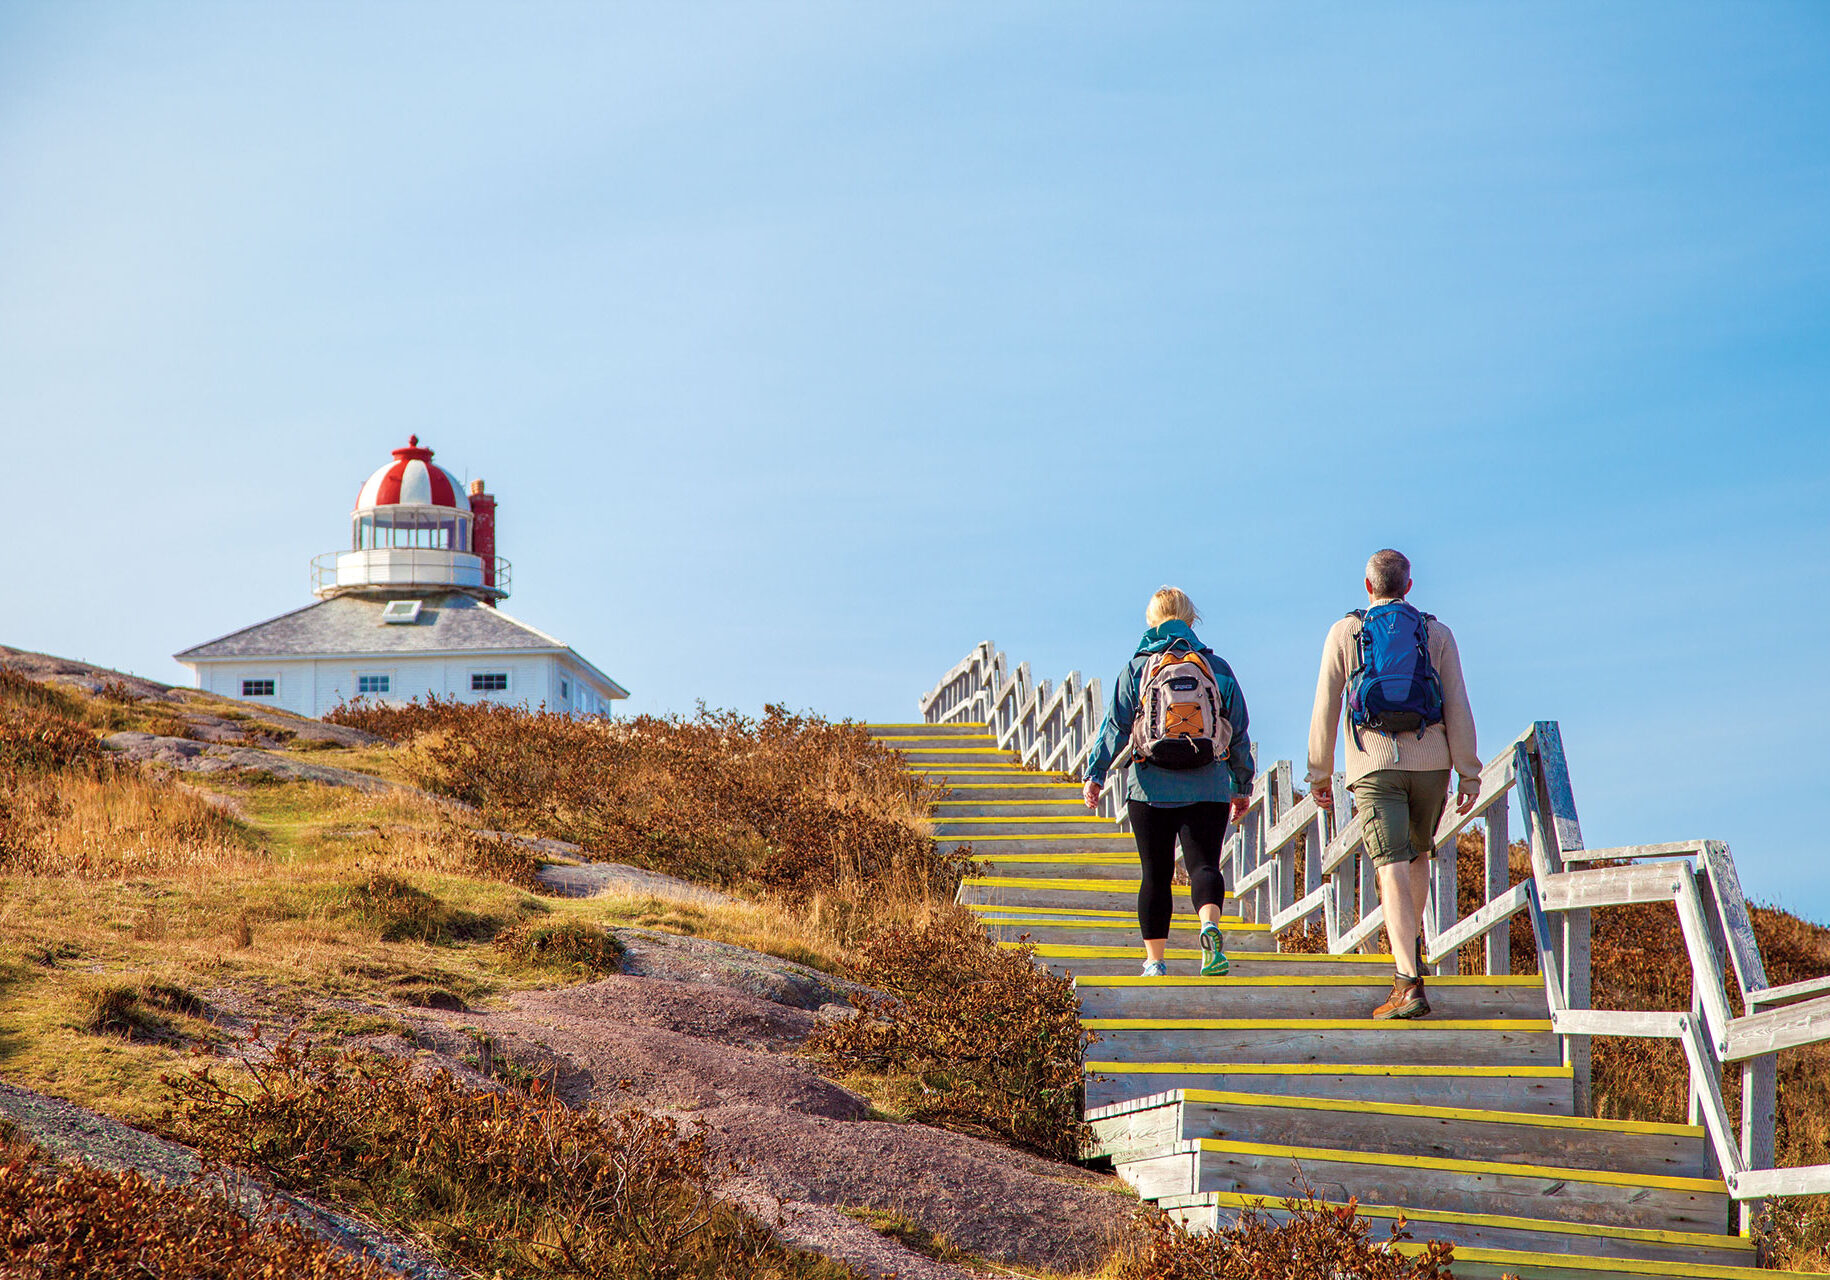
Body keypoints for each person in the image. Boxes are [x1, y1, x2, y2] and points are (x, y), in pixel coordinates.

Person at [1307, 549, 1479, 1019]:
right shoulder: (1435, 632)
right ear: (1409, 585)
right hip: (1432, 763)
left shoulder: (1346, 631)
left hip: (1374, 761)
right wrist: (1468, 769)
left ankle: (1407, 980)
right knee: (1416, 854)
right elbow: (1457, 704)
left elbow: (1326, 703)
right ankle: (1410, 961)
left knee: (1389, 864)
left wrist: (1319, 773)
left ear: (1368, 586)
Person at [1082, 587, 1254, 978]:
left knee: (1155, 875)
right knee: (1205, 865)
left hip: (1149, 786)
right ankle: (1209, 926)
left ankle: (1155, 963)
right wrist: (1241, 785)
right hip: (1208, 785)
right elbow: (1239, 731)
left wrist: (1095, 774)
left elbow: (1115, 727)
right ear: (1191, 619)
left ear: (1151, 620)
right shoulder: (1217, 668)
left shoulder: (1137, 667)